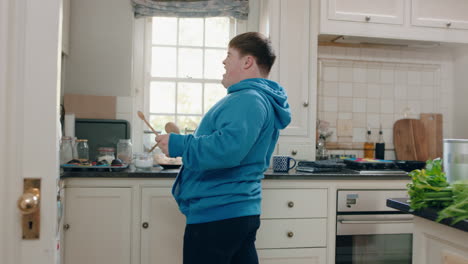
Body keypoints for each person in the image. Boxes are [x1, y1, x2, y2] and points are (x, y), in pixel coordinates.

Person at [155, 32, 291, 264]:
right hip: (235, 211)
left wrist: (179, 143)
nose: (224, 61)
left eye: (229, 55)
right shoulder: (255, 99)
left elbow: (227, 149)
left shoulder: (248, 99)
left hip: (218, 213)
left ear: (247, 61)